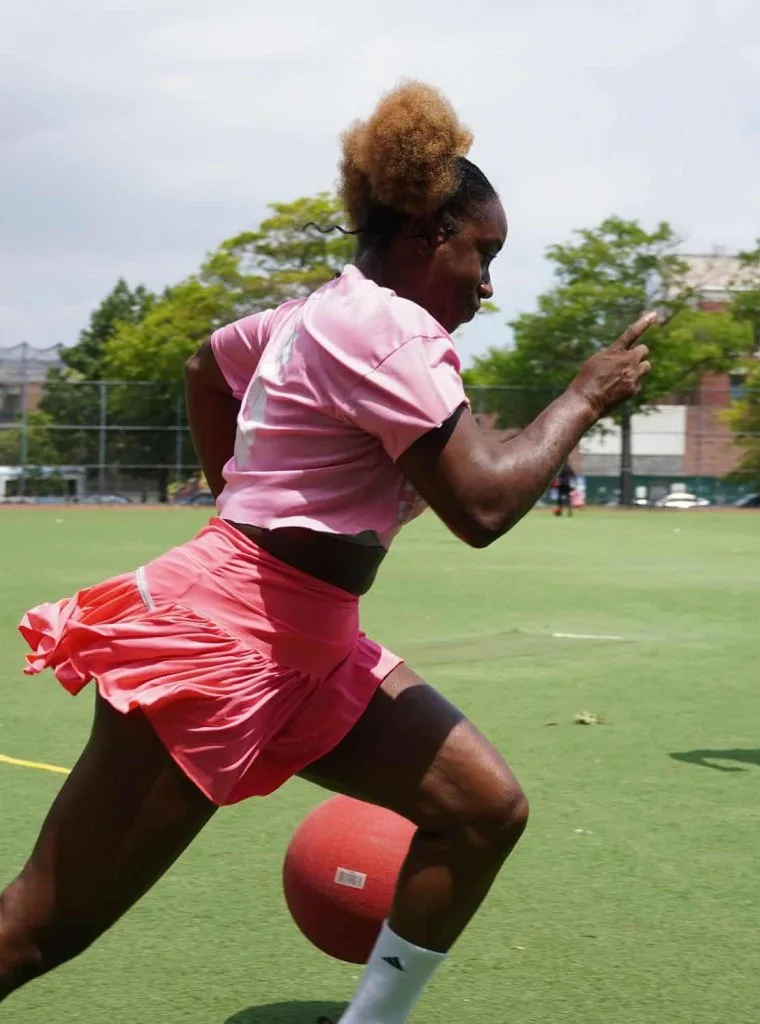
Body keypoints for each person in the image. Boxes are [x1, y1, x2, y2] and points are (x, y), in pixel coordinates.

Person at [0, 81, 654, 1021]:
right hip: (227, 644)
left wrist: (245, 487)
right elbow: (482, 504)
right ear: (429, 229)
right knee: (35, 929)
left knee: (479, 809)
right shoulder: (390, 330)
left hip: (314, 644)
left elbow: (205, 365)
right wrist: (585, 394)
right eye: (484, 252)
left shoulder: (318, 312)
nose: (488, 283)